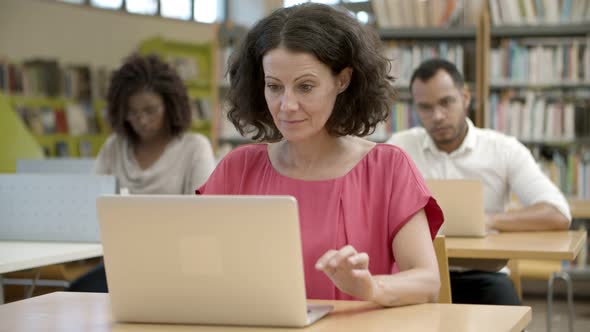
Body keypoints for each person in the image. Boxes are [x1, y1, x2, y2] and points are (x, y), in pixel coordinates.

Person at [196, 3, 444, 307]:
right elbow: (197, 267)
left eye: (305, 87)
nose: (286, 104)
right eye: (274, 86)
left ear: (342, 80)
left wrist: (370, 287)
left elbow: (428, 281)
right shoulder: (236, 168)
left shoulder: (388, 168)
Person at [387, 58, 571, 305]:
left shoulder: (504, 149)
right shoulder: (399, 147)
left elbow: (558, 213)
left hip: (483, 275)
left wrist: (489, 220)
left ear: (465, 97)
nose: (437, 116)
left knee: (508, 316)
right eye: (425, 107)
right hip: (414, 278)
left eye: (446, 102)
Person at [68, 54, 216, 292]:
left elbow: (205, 215)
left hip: (177, 263)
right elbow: (91, 203)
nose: (142, 121)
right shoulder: (115, 147)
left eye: (150, 110)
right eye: (133, 113)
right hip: (122, 261)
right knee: (76, 292)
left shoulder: (194, 147)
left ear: (169, 104)